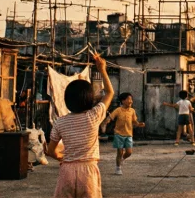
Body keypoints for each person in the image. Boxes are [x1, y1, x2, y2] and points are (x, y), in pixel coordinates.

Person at [46, 50, 115, 198]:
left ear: (67, 100)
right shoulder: (94, 116)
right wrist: (102, 69)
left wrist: (61, 157)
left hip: (67, 171)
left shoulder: (60, 122)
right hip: (89, 170)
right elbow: (109, 93)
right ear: (90, 99)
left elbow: (50, 150)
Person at [100, 92, 145, 175]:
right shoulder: (118, 110)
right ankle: (118, 168)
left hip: (128, 134)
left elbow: (134, 121)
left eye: (131, 99)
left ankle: (122, 159)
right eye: (129, 99)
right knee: (119, 152)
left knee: (129, 152)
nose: (131, 101)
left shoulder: (132, 111)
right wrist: (105, 123)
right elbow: (110, 117)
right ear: (123, 101)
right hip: (118, 134)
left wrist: (139, 124)